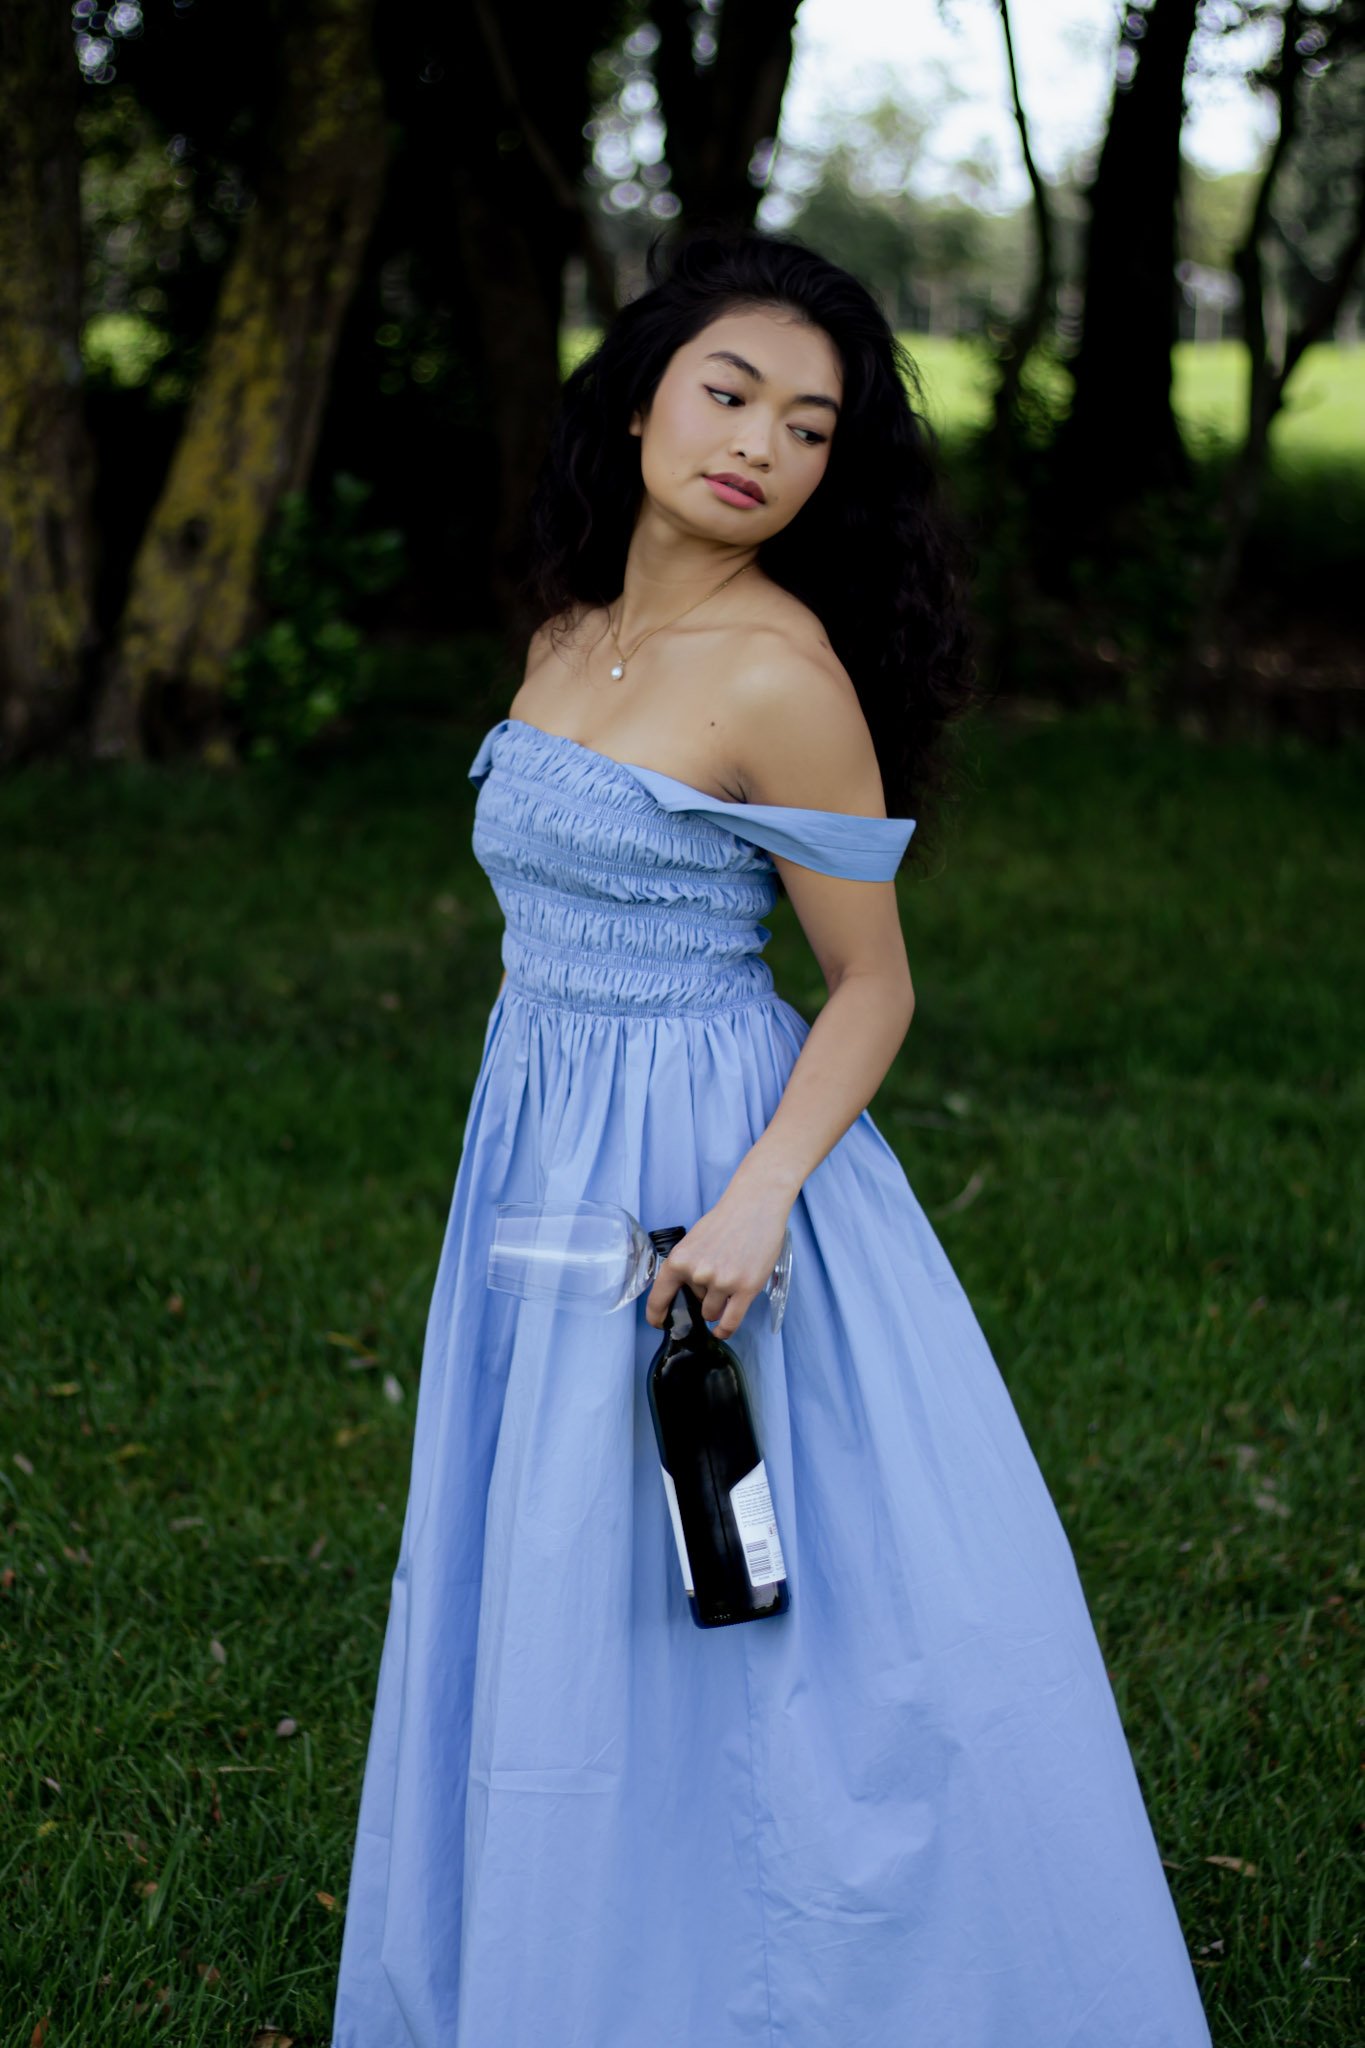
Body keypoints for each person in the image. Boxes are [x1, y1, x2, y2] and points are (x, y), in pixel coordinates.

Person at [330, 229, 1213, 2048]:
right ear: (643, 392)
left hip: (705, 1153)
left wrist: (749, 1201)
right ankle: (566, 1951)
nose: (757, 444)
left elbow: (869, 988)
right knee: (559, 1555)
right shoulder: (573, 619)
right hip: (542, 1137)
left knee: (755, 1592)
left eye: (807, 427)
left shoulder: (781, 673)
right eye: (728, 393)